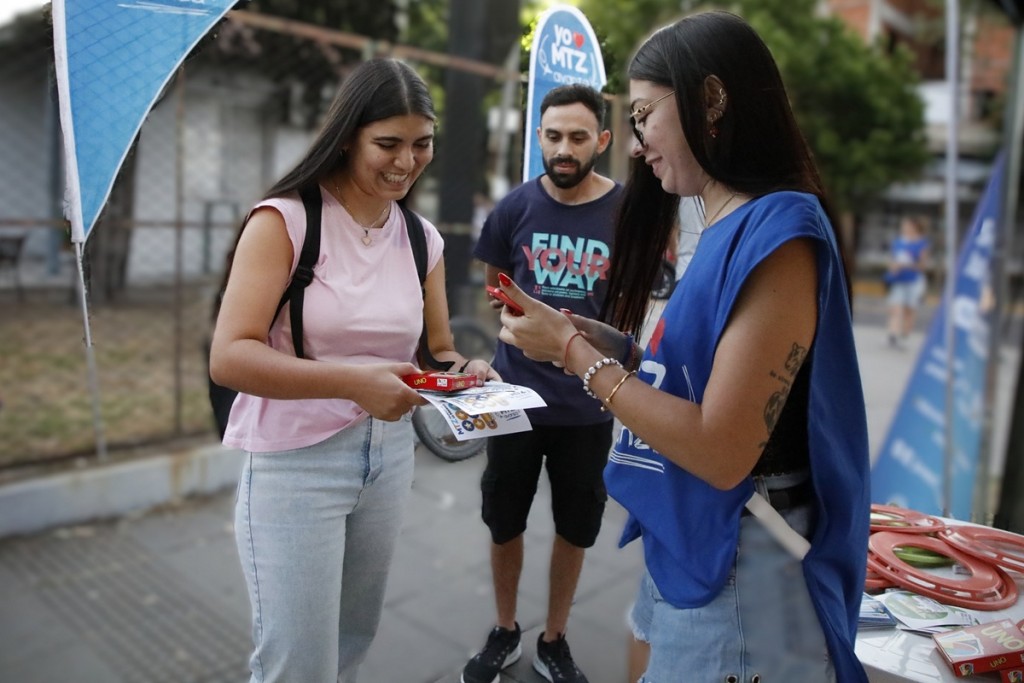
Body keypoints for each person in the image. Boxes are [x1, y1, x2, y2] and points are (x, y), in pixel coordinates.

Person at [491, 11, 870, 683]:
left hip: (746, 562)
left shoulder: (780, 230)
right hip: (699, 545)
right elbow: (700, 373)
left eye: (643, 116)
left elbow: (723, 450)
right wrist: (595, 340)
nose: (636, 144)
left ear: (711, 101)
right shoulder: (727, 221)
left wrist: (579, 358)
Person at [208, 58, 498, 683]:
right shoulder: (285, 220)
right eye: (388, 144)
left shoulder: (423, 239)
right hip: (295, 464)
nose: (408, 161)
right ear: (347, 136)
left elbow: (435, 350)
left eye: (422, 144)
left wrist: (467, 373)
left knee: (349, 644)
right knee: (297, 663)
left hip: (387, 460)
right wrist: (351, 381)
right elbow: (229, 355)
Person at [461, 83, 623, 683]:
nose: (564, 148)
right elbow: (497, 288)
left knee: (575, 527)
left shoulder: (627, 212)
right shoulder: (513, 209)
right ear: (539, 138)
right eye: (553, 136)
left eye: (577, 137)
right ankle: (505, 630)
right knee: (505, 519)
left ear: (601, 141)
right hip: (514, 402)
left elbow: (637, 306)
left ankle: (554, 639)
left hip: (589, 405)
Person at [885, 214, 930, 348]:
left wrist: (906, 265)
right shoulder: (898, 242)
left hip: (914, 281)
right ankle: (893, 335)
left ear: (914, 227)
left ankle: (904, 334)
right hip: (898, 280)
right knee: (896, 308)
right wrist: (893, 267)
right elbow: (892, 259)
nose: (904, 227)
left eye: (907, 225)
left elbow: (922, 266)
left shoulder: (922, 243)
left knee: (909, 310)